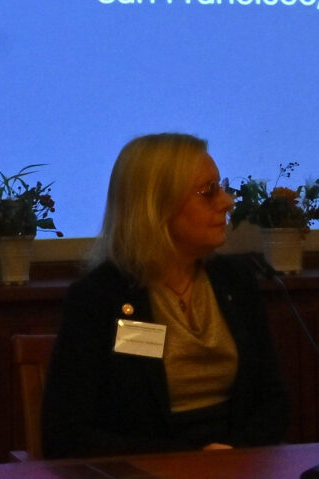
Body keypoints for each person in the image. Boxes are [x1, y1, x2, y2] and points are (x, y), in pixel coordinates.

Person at [40, 133, 291, 458]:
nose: (227, 201)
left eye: (221, 186)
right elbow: (66, 435)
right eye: (208, 192)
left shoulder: (236, 281)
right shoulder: (100, 297)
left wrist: (232, 454)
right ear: (157, 207)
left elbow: (273, 401)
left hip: (237, 472)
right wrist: (190, 460)